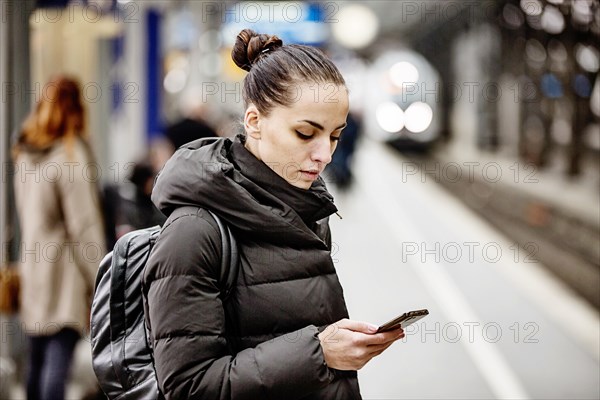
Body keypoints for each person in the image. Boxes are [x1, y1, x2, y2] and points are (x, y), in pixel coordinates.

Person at [142, 29, 405, 400]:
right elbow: (189, 386)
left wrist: (333, 348)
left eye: (334, 136)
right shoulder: (193, 234)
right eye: (305, 133)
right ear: (253, 121)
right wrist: (320, 352)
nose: (324, 155)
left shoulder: (307, 211)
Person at [12, 76, 106, 400]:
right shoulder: (70, 156)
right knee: (58, 361)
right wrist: (103, 280)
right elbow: (84, 227)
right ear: (76, 108)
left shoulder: (25, 154)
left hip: (34, 270)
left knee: (36, 362)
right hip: (64, 275)